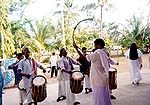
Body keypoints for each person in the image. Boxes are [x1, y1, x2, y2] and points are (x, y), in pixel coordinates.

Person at [86, 38, 111, 105]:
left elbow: (85, 57)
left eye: (95, 45)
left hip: (97, 79)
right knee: (104, 95)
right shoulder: (105, 52)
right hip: (104, 77)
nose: (94, 47)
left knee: (98, 96)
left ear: (98, 45)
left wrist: (77, 49)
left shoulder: (97, 54)